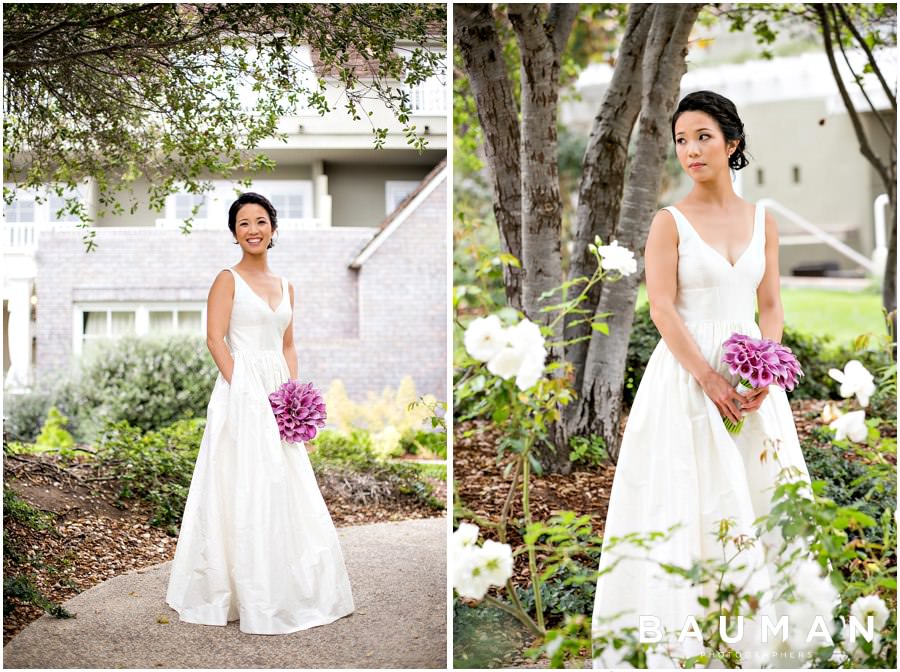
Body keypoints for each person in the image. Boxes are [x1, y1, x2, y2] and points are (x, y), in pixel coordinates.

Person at [591, 91, 813, 667]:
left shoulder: (764, 219)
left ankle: (760, 641)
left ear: (732, 142)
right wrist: (711, 380)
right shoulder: (669, 222)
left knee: (762, 499)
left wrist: (767, 363)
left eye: (703, 137)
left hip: (752, 379)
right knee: (690, 500)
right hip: (688, 380)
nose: (690, 150)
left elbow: (771, 303)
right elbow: (662, 308)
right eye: (682, 140)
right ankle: (684, 641)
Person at [165, 192, 354, 634]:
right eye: (244, 222)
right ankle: (236, 591)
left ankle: (287, 585)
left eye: (261, 221)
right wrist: (246, 391)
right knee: (242, 482)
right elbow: (215, 340)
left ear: (273, 228)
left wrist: (293, 396)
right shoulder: (227, 279)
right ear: (234, 233)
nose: (253, 229)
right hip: (241, 390)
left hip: (278, 392)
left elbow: (288, 343)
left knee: (284, 483)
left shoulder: (287, 285)